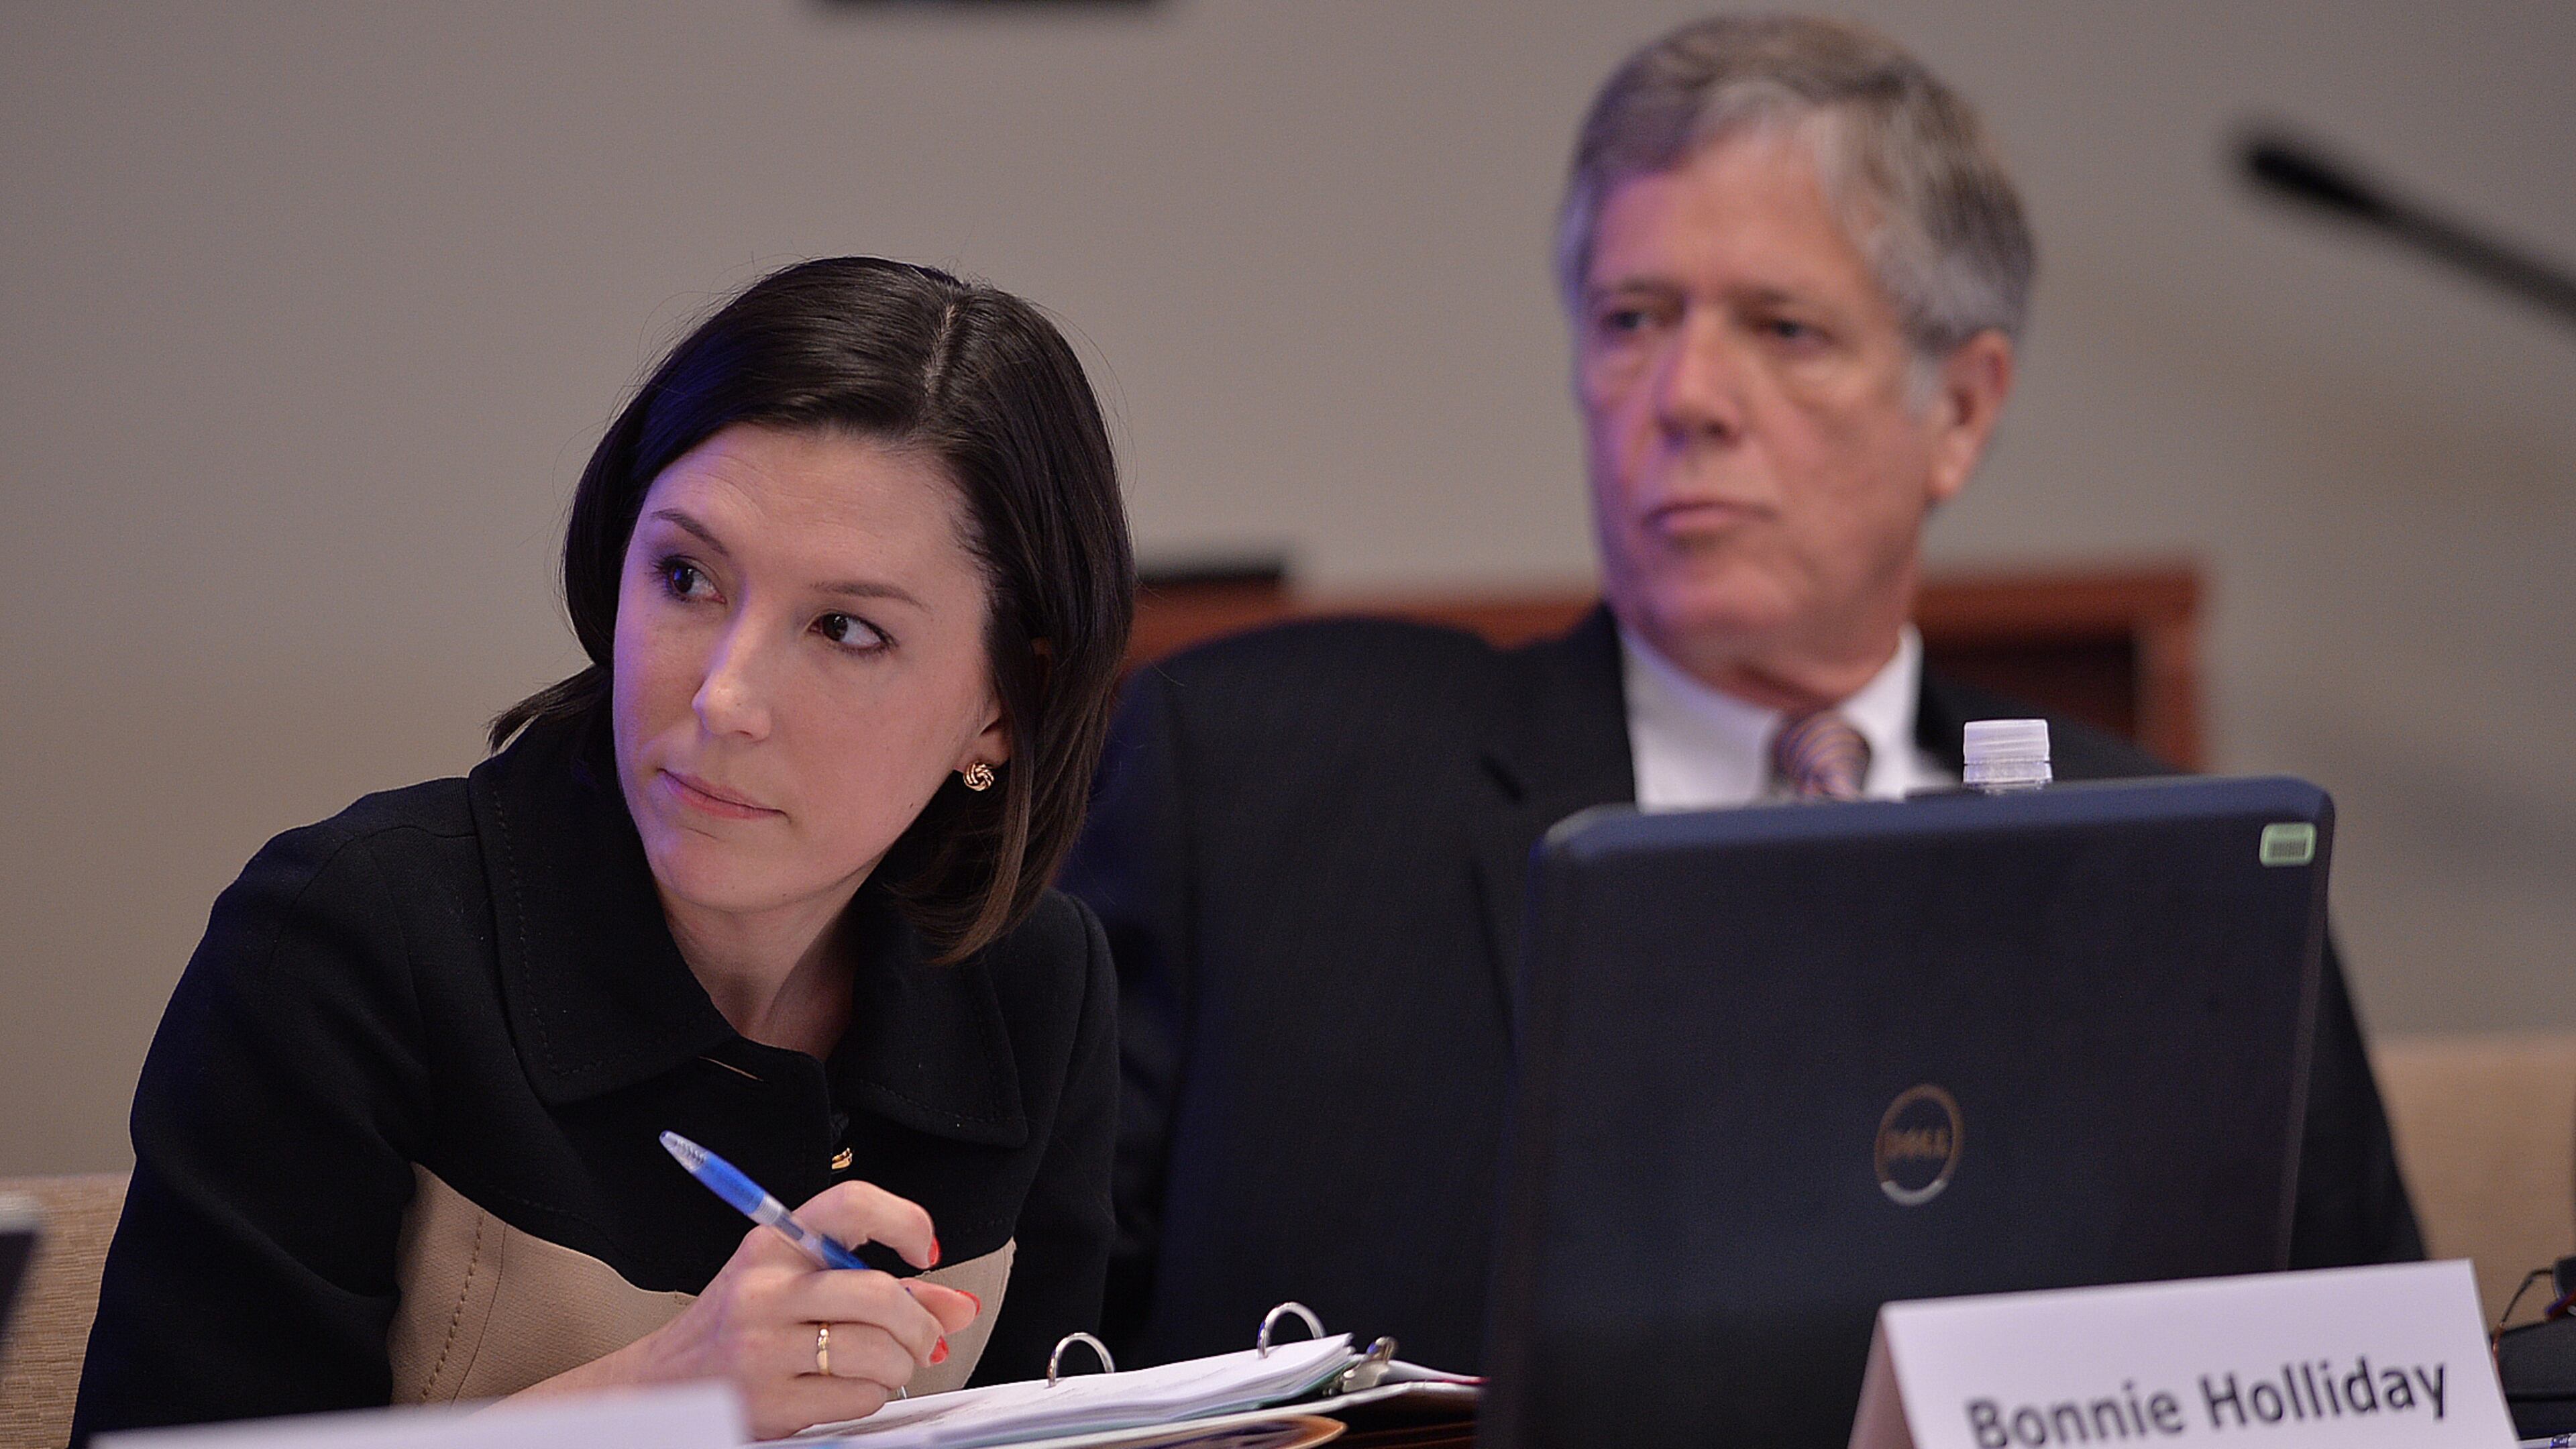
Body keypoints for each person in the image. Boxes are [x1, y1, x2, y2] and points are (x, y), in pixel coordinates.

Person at [1060, 15, 2421, 1375]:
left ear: (1959, 410)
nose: (1689, 395)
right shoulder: (1261, 790)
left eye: (1785, 327)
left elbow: (2375, 1385)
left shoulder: (2200, 877)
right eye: (1633, 319)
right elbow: (1033, 1367)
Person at [72, 257, 1135, 1442]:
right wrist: (662, 1400)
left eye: (845, 629)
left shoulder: (1037, 982)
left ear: (1003, 701)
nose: (725, 696)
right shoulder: (347, 936)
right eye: (686, 576)